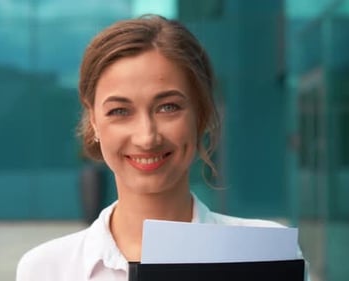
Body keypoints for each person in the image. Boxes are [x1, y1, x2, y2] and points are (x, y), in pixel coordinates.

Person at [16, 14, 303, 281]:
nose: (147, 137)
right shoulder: (46, 269)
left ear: (200, 114)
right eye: (119, 111)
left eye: (168, 107)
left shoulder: (265, 254)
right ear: (93, 120)